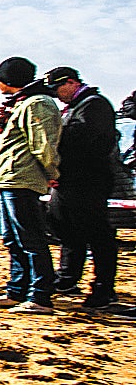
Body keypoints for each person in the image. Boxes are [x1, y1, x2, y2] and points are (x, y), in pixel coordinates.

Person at [0, 57, 62, 313]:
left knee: (30, 239)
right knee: (13, 239)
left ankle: (40, 295)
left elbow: (44, 144)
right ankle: (17, 290)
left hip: (22, 180)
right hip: (10, 179)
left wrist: (51, 172)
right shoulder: (24, 104)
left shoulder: (38, 104)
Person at [42, 66, 120, 313]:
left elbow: (83, 139)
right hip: (69, 180)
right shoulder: (75, 107)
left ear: (72, 82)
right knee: (66, 229)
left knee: (97, 234)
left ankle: (103, 287)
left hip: (89, 180)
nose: (57, 95)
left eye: (58, 89)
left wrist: (56, 136)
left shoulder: (94, 104)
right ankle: (67, 278)